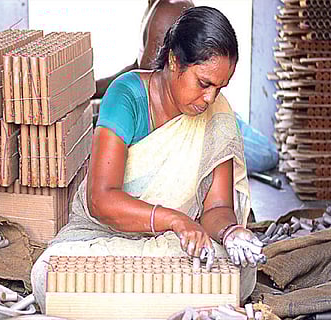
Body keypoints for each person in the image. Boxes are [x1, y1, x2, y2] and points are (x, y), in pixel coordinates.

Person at [32, 7, 261, 312]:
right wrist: (175, 220)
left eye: (220, 87)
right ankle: (174, 307)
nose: (210, 98)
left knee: (241, 274)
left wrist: (231, 232)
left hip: (174, 244)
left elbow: (217, 207)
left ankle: (124, 307)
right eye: (204, 83)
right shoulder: (127, 95)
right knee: (48, 274)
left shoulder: (218, 115)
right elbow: (100, 200)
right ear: (175, 61)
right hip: (107, 236)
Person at [93, 0, 278, 174]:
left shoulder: (170, 9)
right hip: (189, 101)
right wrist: (91, 90)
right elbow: (139, 68)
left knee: (266, 154)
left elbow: (155, 77)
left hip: (192, 108)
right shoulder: (155, 6)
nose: (212, 97)